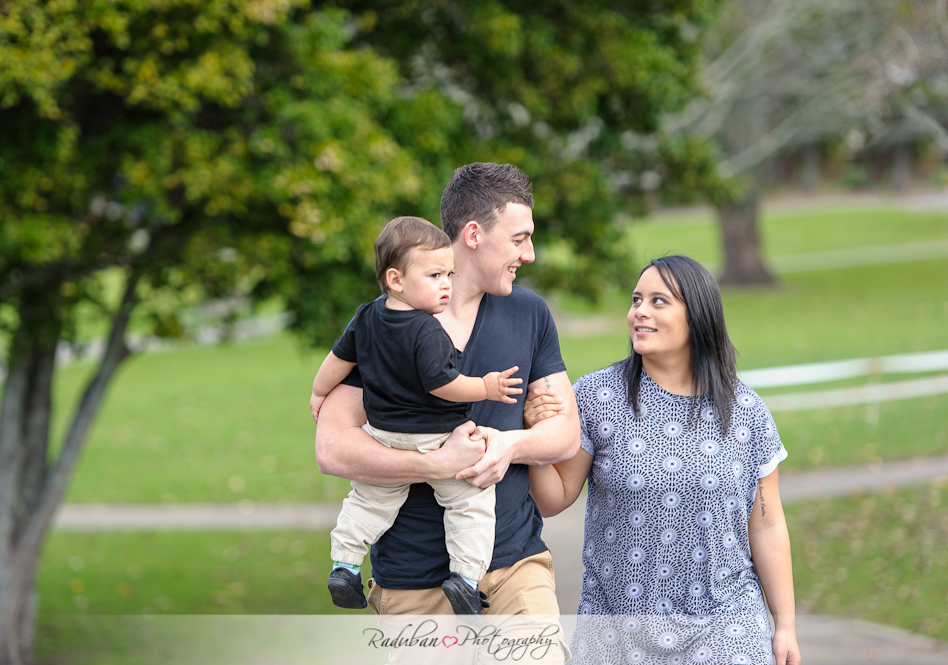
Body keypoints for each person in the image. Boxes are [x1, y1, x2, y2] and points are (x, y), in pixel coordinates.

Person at [315, 162, 579, 663]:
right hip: (413, 583)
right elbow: (332, 449)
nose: (530, 253)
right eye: (519, 239)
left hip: (512, 563)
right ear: (474, 234)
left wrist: (511, 444)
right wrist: (436, 464)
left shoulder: (529, 314)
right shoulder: (383, 324)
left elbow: (565, 434)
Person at [527, 255, 801, 665]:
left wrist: (785, 625)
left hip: (726, 623)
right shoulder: (597, 397)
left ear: (698, 316)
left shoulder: (745, 410)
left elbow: (767, 523)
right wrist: (535, 442)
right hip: (616, 630)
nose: (639, 311)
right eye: (637, 299)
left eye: (659, 301)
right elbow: (555, 497)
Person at [310, 215, 523, 616]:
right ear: (396, 279)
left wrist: (319, 393)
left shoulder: (367, 316)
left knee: (369, 501)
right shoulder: (425, 329)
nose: (447, 283)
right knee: (470, 502)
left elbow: (337, 360)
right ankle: (464, 577)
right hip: (436, 436)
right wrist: (485, 386)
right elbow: (442, 384)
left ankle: (344, 564)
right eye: (436, 275)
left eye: (450, 273)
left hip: (384, 435)